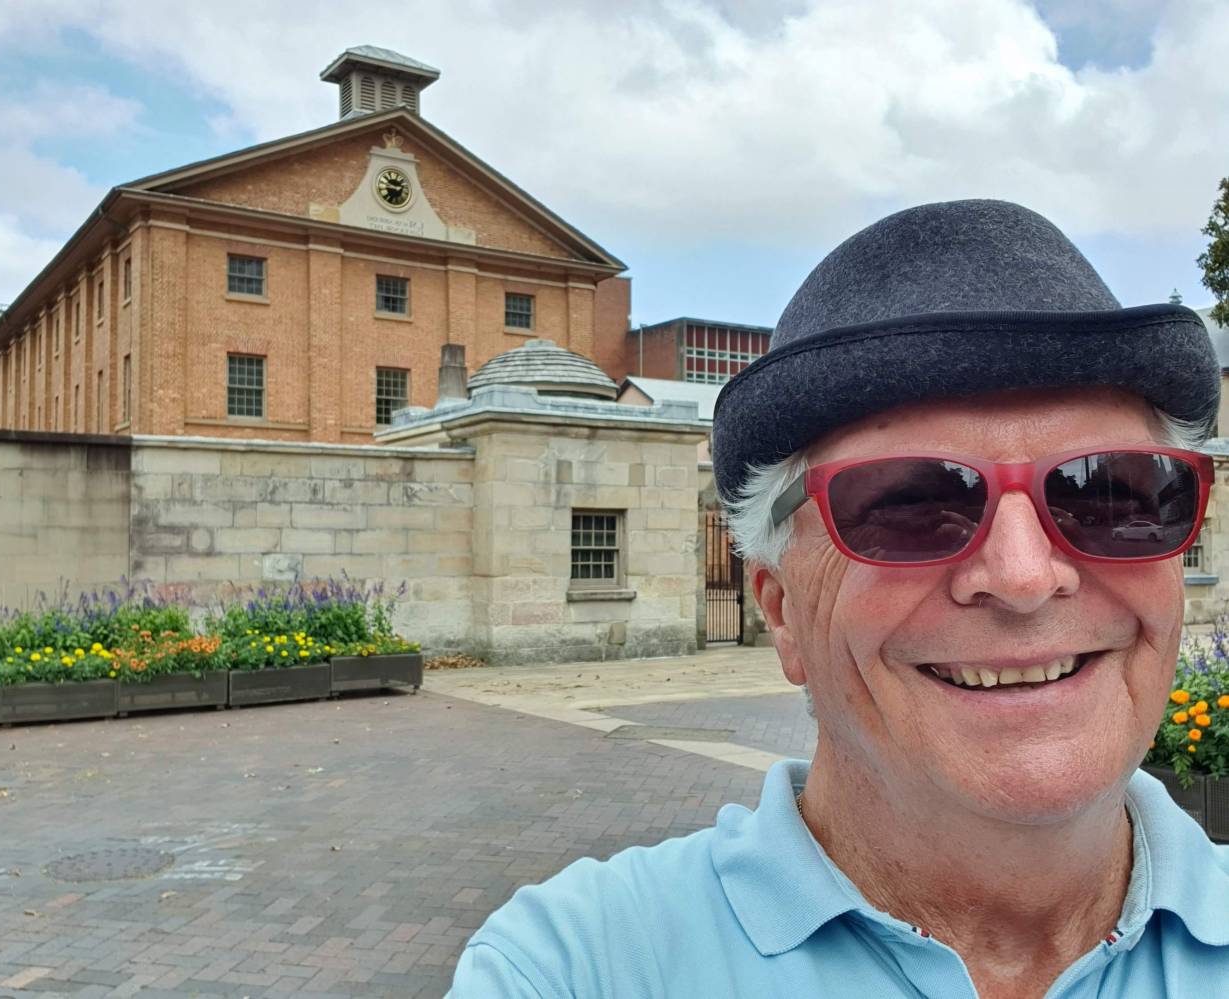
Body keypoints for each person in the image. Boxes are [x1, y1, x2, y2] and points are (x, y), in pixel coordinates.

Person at [447, 200, 1229, 998]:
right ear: (780, 607)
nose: (1025, 576)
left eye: (1109, 495)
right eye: (910, 504)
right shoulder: (580, 966)